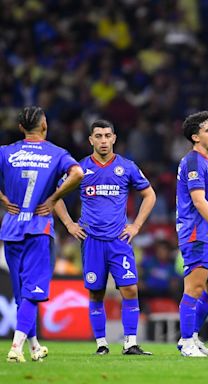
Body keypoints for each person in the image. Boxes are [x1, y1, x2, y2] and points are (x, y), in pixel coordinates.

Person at [54, 119, 156, 355]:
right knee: (96, 291)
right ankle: (102, 344)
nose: (103, 140)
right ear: (91, 140)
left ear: (114, 138)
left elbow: (149, 195)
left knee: (130, 289)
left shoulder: (127, 167)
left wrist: (136, 226)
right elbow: (56, 196)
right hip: (92, 241)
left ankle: (130, 343)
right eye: (98, 136)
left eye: (107, 136)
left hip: (119, 240)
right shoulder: (79, 169)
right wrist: (69, 224)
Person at [1, 106, 84, 362]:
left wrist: (2, 198)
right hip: (39, 229)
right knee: (33, 292)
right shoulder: (57, 153)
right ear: (44, 126)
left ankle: (35, 346)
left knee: (23, 295)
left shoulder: (6, 152)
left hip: (12, 230)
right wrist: (55, 196)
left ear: (20, 128)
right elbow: (78, 173)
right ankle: (16, 348)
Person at [175, 111, 208, 357]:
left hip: (207, 234)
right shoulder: (193, 161)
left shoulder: (206, 162)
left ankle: (192, 336)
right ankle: (185, 342)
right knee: (194, 288)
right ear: (195, 137)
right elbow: (198, 199)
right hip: (196, 233)